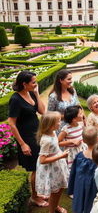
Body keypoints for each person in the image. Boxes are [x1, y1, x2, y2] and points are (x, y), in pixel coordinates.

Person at [8, 71, 47, 207]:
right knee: (36, 167)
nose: (36, 84)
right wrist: (23, 144)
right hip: (27, 138)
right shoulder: (15, 99)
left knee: (40, 165)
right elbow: (11, 123)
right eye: (33, 82)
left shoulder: (31, 93)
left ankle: (37, 193)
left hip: (37, 134)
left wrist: (36, 93)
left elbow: (42, 111)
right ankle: (35, 197)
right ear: (24, 84)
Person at [35, 111, 69, 213]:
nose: (60, 123)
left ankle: (55, 206)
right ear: (50, 125)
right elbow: (42, 160)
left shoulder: (53, 132)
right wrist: (61, 156)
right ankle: (52, 211)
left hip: (57, 165)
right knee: (54, 192)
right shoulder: (46, 140)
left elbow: (55, 146)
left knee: (59, 189)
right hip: (50, 169)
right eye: (58, 121)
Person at [68, 127, 98, 213]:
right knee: (91, 203)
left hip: (80, 183)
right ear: (97, 139)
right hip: (93, 185)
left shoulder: (79, 156)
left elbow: (73, 173)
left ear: (83, 140)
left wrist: (71, 188)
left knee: (80, 200)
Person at [48, 69, 85, 135]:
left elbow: (79, 105)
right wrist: (68, 116)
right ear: (61, 80)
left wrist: (84, 120)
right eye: (69, 79)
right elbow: (50, 115)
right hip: (61, 129)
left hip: (75, 126)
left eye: (71, 79)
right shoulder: (53, 97)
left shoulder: (73, 91)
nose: (71, 81)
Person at [58, 105, 87, 172]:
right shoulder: (66, 129)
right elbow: (57, 142)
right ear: (74, 119)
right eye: (80, 113)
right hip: (72, 154)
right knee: (73, 171)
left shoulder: (80, 125)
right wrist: (71, 141)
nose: (82, 114)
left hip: (82, 150)